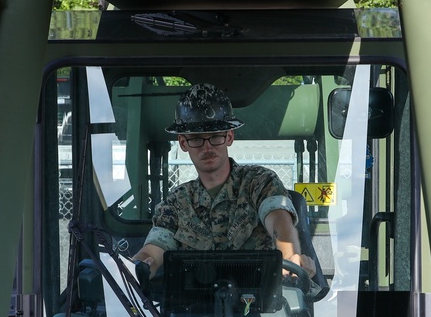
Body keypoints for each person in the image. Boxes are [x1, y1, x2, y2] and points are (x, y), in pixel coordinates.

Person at [133, 83, 316, 281]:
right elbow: (155, 248)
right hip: (196, 308)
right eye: (196, 139)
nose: (207, 147)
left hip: (265, 305)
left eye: (215, 137)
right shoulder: (176, 203)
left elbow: (278, 218)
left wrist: (289, 257)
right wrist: (136, 268)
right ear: (183, 143)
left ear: (229, 137)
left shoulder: (259, 182)